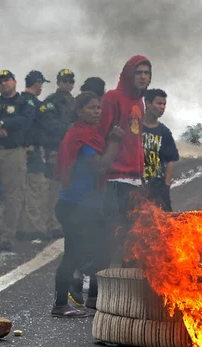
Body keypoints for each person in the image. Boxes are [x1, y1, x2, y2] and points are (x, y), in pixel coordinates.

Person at [52, 92, 124, 317]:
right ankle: (62, 301)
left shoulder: (85, 133)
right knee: (77, 253)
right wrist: (114, 142)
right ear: (79, 110)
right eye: (92, 108)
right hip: (76, 205)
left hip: (80, 204)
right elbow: (101, 166)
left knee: (91, 249)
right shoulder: (81, 137)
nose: (97, 112)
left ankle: (76, 298)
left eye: (99, 108)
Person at [97, 55, 151, 267]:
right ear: (129, 74)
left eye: (146, 73)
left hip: (134, 178)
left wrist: (140, 174)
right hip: (115, 178)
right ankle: (90, 275)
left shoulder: (140, 101)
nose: (143, 77)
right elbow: (100, 133)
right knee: (113, 231)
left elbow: (136, 140)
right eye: (138, 72)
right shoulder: (113, 97)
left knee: (134, 232)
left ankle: (124, 279)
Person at [0, 70, 35, 251]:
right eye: (0, 81)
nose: (3, 84)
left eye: (6, 80)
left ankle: (8, 236)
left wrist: (2, 124)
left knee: (12, 195)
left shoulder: (25, 101)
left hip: (14, 152)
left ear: (14, 81)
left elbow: (27, 120)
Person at [17, 71, 52, 241]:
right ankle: (33, 228)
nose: (41, 88)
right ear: (37, 83)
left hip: (19, 151)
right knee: (35, 187)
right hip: (33, 150)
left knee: (22, 189)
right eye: (41, 84)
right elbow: (31, 125)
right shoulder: (33, 103)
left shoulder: (18, 100)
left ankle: (23, 226)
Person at [41, 68, 76, 238]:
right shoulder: (50, 102)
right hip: (56, 149)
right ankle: (52, 224)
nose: (67, 84)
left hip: (74, 151)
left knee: (71, 187)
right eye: (64, 81)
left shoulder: (76, 102)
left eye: (70, 81)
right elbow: (48, 125)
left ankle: (67, 221)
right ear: (58, 82)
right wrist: (67, 129)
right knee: (54, 189)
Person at [142, 88, 179, 211]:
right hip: (136, 185)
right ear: (147, 103)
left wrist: (166, 186)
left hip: (157, 186)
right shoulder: (135, 127)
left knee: (165, 223)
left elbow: (170, 160)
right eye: (159, 103)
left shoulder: (164, 132)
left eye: (164, 104)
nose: (162, 107)